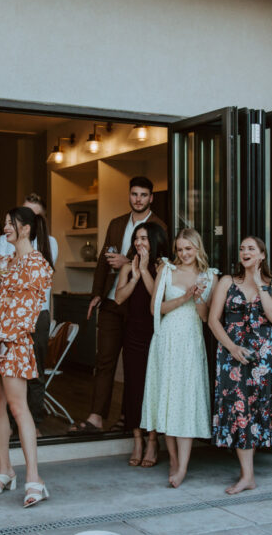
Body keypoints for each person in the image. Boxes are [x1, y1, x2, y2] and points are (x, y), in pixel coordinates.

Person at [0, 207, 53, 507]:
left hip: (12, 342)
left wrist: (3, 339)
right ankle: (4, 470)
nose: (5, 228)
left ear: (26, 229)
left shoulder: (38, 264)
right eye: (5, 222)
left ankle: (34, 478)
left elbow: (28, 312)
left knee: (19, 408)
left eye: (10, 224)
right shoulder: (5, 262)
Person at [73, 177, 167, 433]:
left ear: (151, 198)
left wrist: (128, 260)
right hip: (112, 301)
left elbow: (162, 264)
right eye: (134, 194)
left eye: (144, 195)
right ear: (129, 195)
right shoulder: (116, 223)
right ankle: (96, 417)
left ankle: (130, 418)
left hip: (139, 304)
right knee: (104, 360)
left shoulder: (160, 226)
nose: (138, 199)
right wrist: (96, 293)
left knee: (135, 365)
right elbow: (104, 260)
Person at [208, 236, 272, 494]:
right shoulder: (227, 282)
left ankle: (248, 475)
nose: (245, 252)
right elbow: (213, 320)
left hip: (263, 359)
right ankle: (247, 476)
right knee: (239, 409)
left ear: (262, 255)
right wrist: (232, 347)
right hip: (232, 355)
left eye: (251, 248)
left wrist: (259, 283)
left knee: (256, 409)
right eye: (241, 248)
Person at [140, 227, 216, 488]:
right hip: (166, 339)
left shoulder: (209, 275)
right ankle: (173, 459)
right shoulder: (166, 270)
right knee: (168, 399)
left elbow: (206, 317)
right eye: (180, 249)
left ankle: (183, 466)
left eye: (189, 249)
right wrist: (184, 296)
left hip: (190, 342)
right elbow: (154, 308)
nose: (184, 253)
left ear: (198, 249)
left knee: (184, 401)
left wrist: (196, 299)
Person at [0, 193, 57, 431]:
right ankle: (10, 421)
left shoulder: (49, 244)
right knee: (6, 370)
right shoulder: (4, 239)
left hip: (37, 314)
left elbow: (36, 280)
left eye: (34, 214)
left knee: (35, 370)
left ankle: (34, 423)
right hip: (8, 314)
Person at [112, 221, 170, 468]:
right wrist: (135, 275)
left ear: (154, 241)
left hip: (156, 333)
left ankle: (153, 440)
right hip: (133, 333)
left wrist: (146, 271)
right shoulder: (127, 266)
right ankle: (137, 439)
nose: (139, 243)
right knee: (134, 386)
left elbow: (158, 301)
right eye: (137, 238)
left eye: (144, 238)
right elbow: (118, 298)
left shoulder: (164, 267)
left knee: (153, 386)